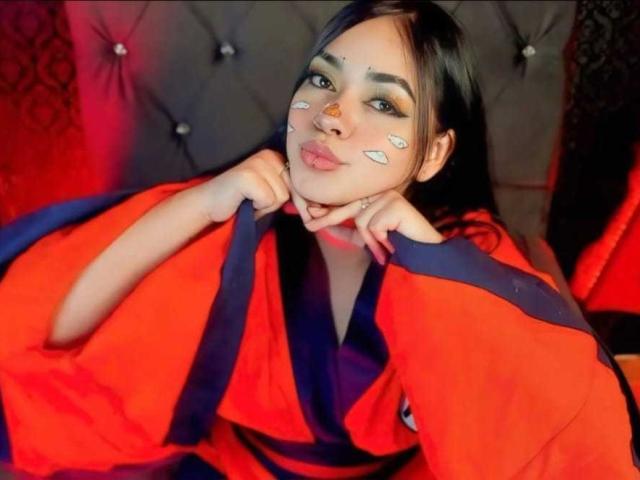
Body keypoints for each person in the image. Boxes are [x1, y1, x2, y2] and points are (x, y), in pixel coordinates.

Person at [0, 1, 638, 478]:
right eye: (323, 81)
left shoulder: (468, 253)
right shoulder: (239, 221)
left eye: (384, 104)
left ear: (433, 152)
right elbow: (53, 336)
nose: (332, 115)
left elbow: (559, 434)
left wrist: (429, 260)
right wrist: (201, 204)